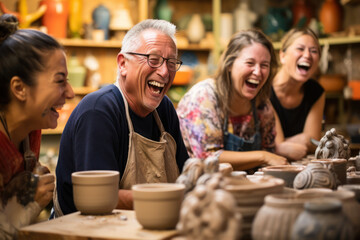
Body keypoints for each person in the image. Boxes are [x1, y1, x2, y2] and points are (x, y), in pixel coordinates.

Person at [54, 19, 189, 216]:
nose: (164, 71)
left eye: (171, 62)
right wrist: (170, 197)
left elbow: (185, 175)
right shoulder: (99, 111)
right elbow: (98, 198)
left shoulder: (164, 109)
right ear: (123, 64)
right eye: (153, 59)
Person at [0, 14, 74, 239]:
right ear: (20, 88)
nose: (70, 93)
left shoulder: (31, 129)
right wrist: (25, 205)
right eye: (60, 81)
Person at [176, 29, 287, 172]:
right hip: (200, 188)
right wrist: (263, 156)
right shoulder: (204, 97)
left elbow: (270, 153)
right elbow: (208, 159)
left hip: (244, 187)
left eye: (264, 65)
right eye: (250, 63)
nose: (258, 72)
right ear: (229, 64)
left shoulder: (262, 105)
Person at [271, 27, 325, 161]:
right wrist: (280, 146)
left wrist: (282, 145)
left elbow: (313, 141)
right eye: (300, 49)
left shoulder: (316, 91)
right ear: (282, 56)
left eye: (314, 51)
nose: (307, 55)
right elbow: (278, 146)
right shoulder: (264, 89)